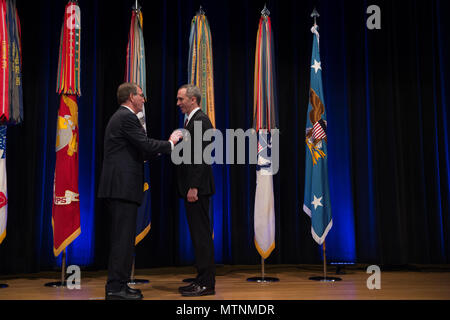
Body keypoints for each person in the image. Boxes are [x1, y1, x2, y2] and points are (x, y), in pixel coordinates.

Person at [98, 82, 182, 300]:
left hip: (122, 188)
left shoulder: (122, 117)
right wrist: (171, 143)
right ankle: (116, 288)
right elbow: (145, 144)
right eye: (141, 96)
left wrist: (156, 149)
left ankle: (121, 285)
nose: (144, 100)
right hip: (121, 188)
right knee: (121, 241)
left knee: (125, 240)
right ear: (131, 97)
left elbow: (139, 149)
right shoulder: (126, 117)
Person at [176, 84, 215, 296]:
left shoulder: (201, 120)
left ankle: (207, 284)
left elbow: (201, 158)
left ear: (193, 100)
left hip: (197, 189)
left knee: (202, 237)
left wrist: (193, 186)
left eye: (181, 99)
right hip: (193, 187)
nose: (178, 103)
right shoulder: (192, 121)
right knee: (197, 236)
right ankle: (200, 278)